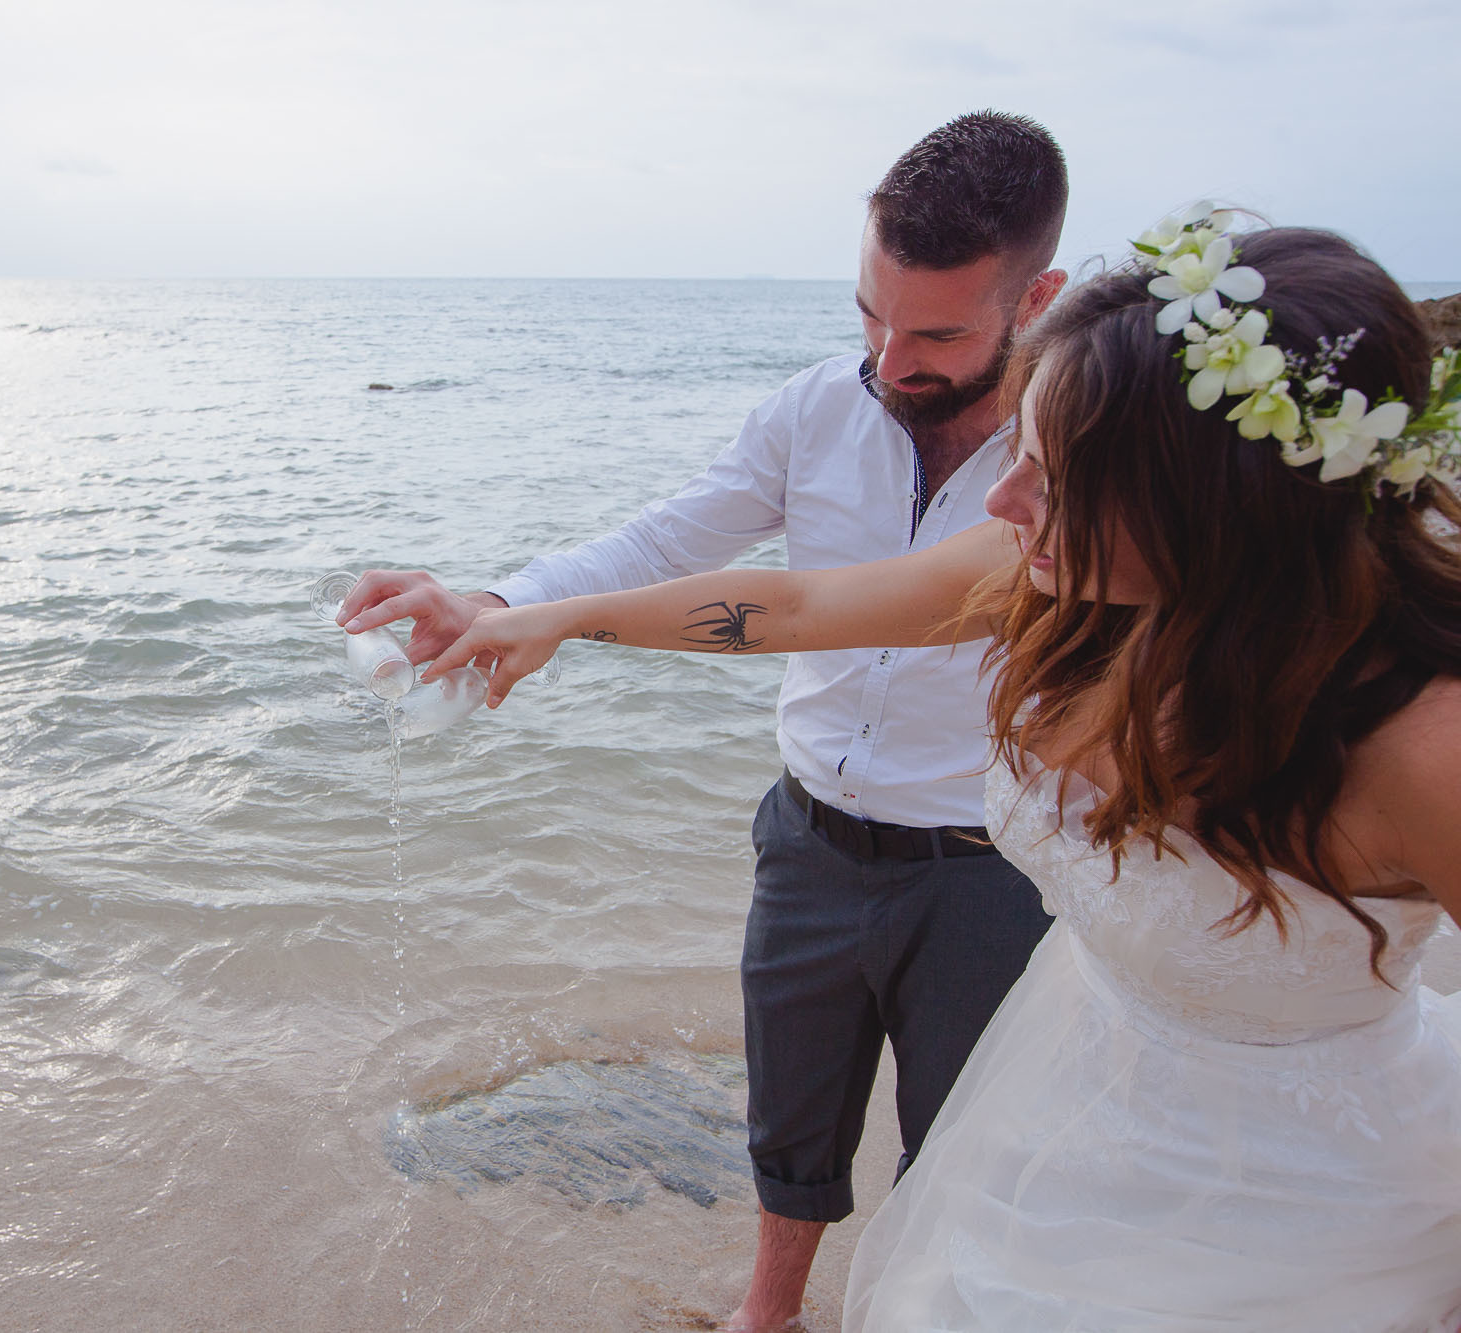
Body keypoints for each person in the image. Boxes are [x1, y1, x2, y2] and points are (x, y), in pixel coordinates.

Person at [423, 219, 1461, 1328]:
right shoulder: (1066, 577)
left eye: (1053, 475)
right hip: (1057, 1105)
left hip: (1301, 1215)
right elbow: (805, 605)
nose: (1004, 503)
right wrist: (549, 617)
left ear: (1215, 501)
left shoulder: (1419, 744)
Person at [338, 110, 1070, 1330]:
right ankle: (767, 1315)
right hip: (811, 836)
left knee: (960, 1149)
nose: (889, 359)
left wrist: (564, 625)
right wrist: (505, 598)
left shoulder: (1078, 455)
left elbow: (785, 607)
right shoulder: (811, 408)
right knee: (787, 1124)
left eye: (935, 332)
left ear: (1034, 297)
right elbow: (674, 534)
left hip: (995, 863)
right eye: (868, 316)